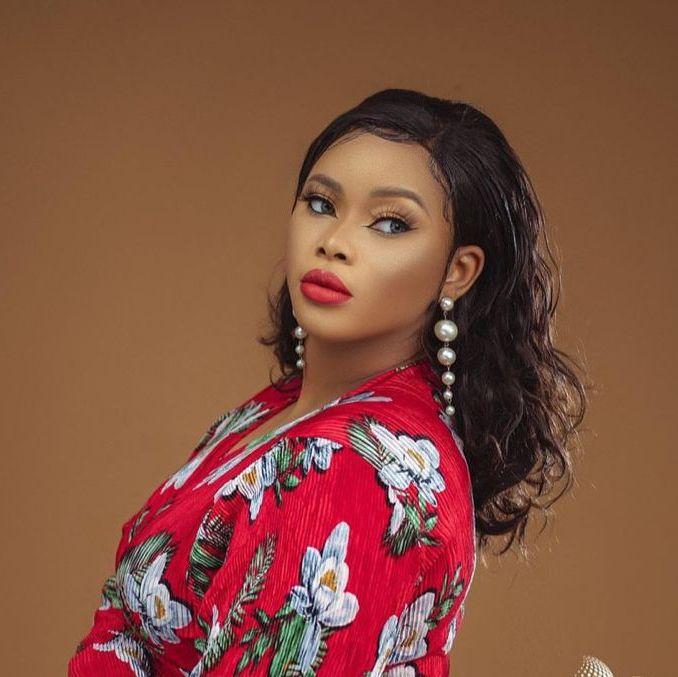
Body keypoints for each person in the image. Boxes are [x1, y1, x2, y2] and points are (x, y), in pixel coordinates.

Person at [68, 88, 588, 676]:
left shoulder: (352, 468)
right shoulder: (283, 410)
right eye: (320, 203)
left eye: (390, 223)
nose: (334, 242)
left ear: (457, 271)